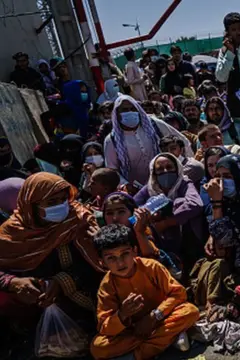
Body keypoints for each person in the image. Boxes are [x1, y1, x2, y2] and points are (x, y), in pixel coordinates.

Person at [0, 173, 103, 331]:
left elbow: (98, 261)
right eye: (52, 202)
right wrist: (13, 283)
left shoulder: (79, 219)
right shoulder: (10, 233)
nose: (61, 206)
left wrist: (61, 282)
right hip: (33, 305)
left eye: (64, 199)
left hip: (82, 294)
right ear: (32, 205)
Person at [90, 225, 198, 360]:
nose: (120, 262)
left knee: (190, 311)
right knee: (98, 347)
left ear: (134, 251)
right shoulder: (107, 285)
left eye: (125, 254)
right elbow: (104, 326)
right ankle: (167, 339)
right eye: (111, 258)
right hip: (134, 331)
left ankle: (138, 355)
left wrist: (154, 316)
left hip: (161, 317)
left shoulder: (151, 267)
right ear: (102, 262)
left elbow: (178, 293)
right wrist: (122, 314)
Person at [195, 154, 240, 321]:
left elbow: (225, 238)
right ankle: (214, 304)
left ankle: (236, 303)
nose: (222, 182)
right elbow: (221, 241)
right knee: (212, 266)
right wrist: (217, 204)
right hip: (233, 261)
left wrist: (217, 204)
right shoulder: (225, 202)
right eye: (218, 177)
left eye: (227, 177)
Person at [104, 95, 193, 188]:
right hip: (137, 189)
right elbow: (112, 170)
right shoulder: (112, 140)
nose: (130, 112)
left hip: (167, 182)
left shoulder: (154, 124)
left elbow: (182, 141)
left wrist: (185, 166)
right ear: (117, 114)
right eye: (125, 110)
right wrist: (124, 185)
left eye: (133, 109)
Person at [134, 153, 204, 258]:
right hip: (159, 240)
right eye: (160, 169)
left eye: (169, 167)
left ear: (177, 169)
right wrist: (149, 214)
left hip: (187, 237)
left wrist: (167, 220)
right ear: (154, 173)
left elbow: (195, 204)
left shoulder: (184, 182)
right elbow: (133, 206)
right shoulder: (150, 188)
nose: (165, 171)